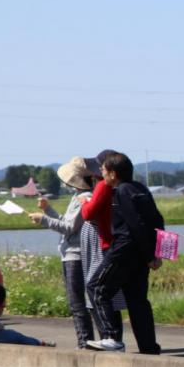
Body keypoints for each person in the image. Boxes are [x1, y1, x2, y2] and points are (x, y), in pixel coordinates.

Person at [92, 152, 163, 355]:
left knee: (97, 287)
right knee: (137, 300)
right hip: (140, 255)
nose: (102, 174)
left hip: (124, 250)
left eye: (104, 170)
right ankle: (149, 347)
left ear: (113, 173)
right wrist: (154, 253)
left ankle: (111, 337)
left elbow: (136, 224)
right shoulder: (141, 188)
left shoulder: (122, 191)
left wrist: (151, 255)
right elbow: (157, 220)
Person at [29, 156, 99, 349]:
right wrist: (48, 210)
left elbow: (69, 228)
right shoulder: (78, 197)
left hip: (75, 255)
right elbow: (67, 223)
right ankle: (87, 341)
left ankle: (85, 343)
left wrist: (43, 219)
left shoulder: (83, 198)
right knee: (78, 302)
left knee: (77, 303)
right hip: (72, 253)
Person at [80, 148, 127, 351]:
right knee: (113, 295)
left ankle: (111, 338)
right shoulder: (126, 188)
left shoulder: (102, 187)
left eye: (100, 165)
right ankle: (114, 339)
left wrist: (84, 202)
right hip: (119, 245)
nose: (97, 169)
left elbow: (89, 214)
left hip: (107, 246)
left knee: (96, 288)